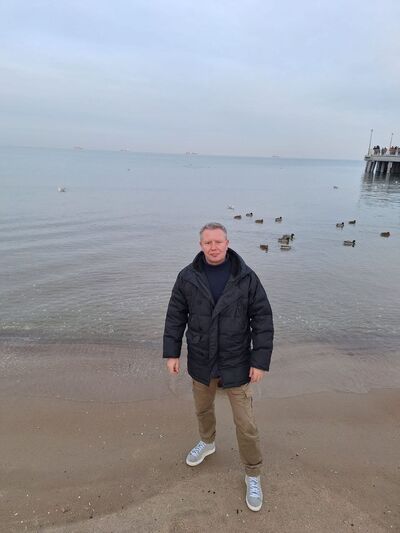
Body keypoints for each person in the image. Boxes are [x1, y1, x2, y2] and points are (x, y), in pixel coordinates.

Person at [163, 222, 273, 511]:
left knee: (246, 424)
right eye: (208, 242)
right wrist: (172, 354)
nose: (213, 247)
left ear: (227, 243)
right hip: (201, 359)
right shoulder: (187, 277)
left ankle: (253, 474)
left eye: (218, 242)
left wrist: (259, 361)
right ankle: (207, 442)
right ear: (200, 245)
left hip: (237, 362)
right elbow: (175, 316)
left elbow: (262, 319)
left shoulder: (246, 277)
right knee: (203, 409)